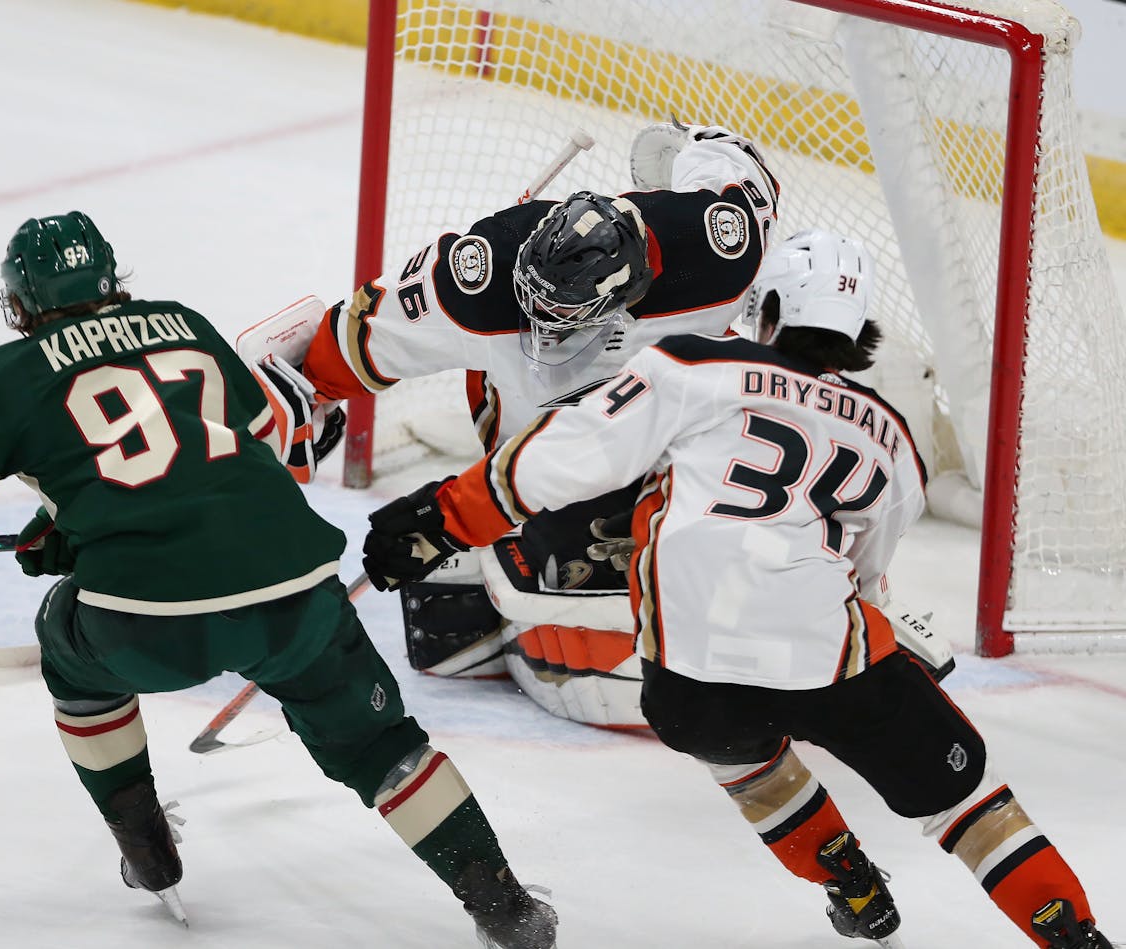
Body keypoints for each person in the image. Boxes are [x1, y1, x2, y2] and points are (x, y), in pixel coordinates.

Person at [0, 211, 557, 949]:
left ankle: (146, 847)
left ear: (17, 302)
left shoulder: (5, 373)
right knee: (382, 745)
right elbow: (272, 451)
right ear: (113, 277)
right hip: (294, 589)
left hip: (144, 622)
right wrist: (87, 522)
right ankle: (505, 905)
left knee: (66, 641)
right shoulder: (183, 323)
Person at [361, 229, 1110, 947]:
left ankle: (844, 876)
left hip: (685, 686)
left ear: (772, 308)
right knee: (970, 797)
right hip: (830, 664)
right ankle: (1073, 934)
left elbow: (561, 461)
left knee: (737, 750)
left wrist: (437, 521)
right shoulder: (891, 440)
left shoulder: (690, 367)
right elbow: (870, 575)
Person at [257, 121, 779, 710]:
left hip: (670, 425)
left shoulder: (717, 248)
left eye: (560, 318)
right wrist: (311, 393)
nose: (540, 329)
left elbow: (736, 164)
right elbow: (364, 336)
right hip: (528, 427)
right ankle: (518, 538)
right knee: (560, 528)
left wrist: (684, 144)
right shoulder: (477, 280)